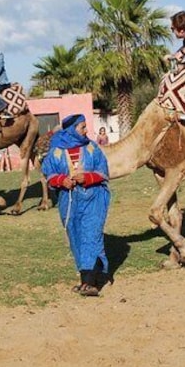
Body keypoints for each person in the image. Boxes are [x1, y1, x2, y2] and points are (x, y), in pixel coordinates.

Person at [41, 114, 110, 297]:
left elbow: (103, 171)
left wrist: (87, 178)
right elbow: (48, 174)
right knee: (76, 237)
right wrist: (61, 180)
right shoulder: (56, 151)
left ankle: (91, 282)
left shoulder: (92, 148)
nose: (86, 130)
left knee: (91, 235)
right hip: (69, 201)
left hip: (93, 199)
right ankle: (85, 280)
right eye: (82, 127)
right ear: (72, 129)